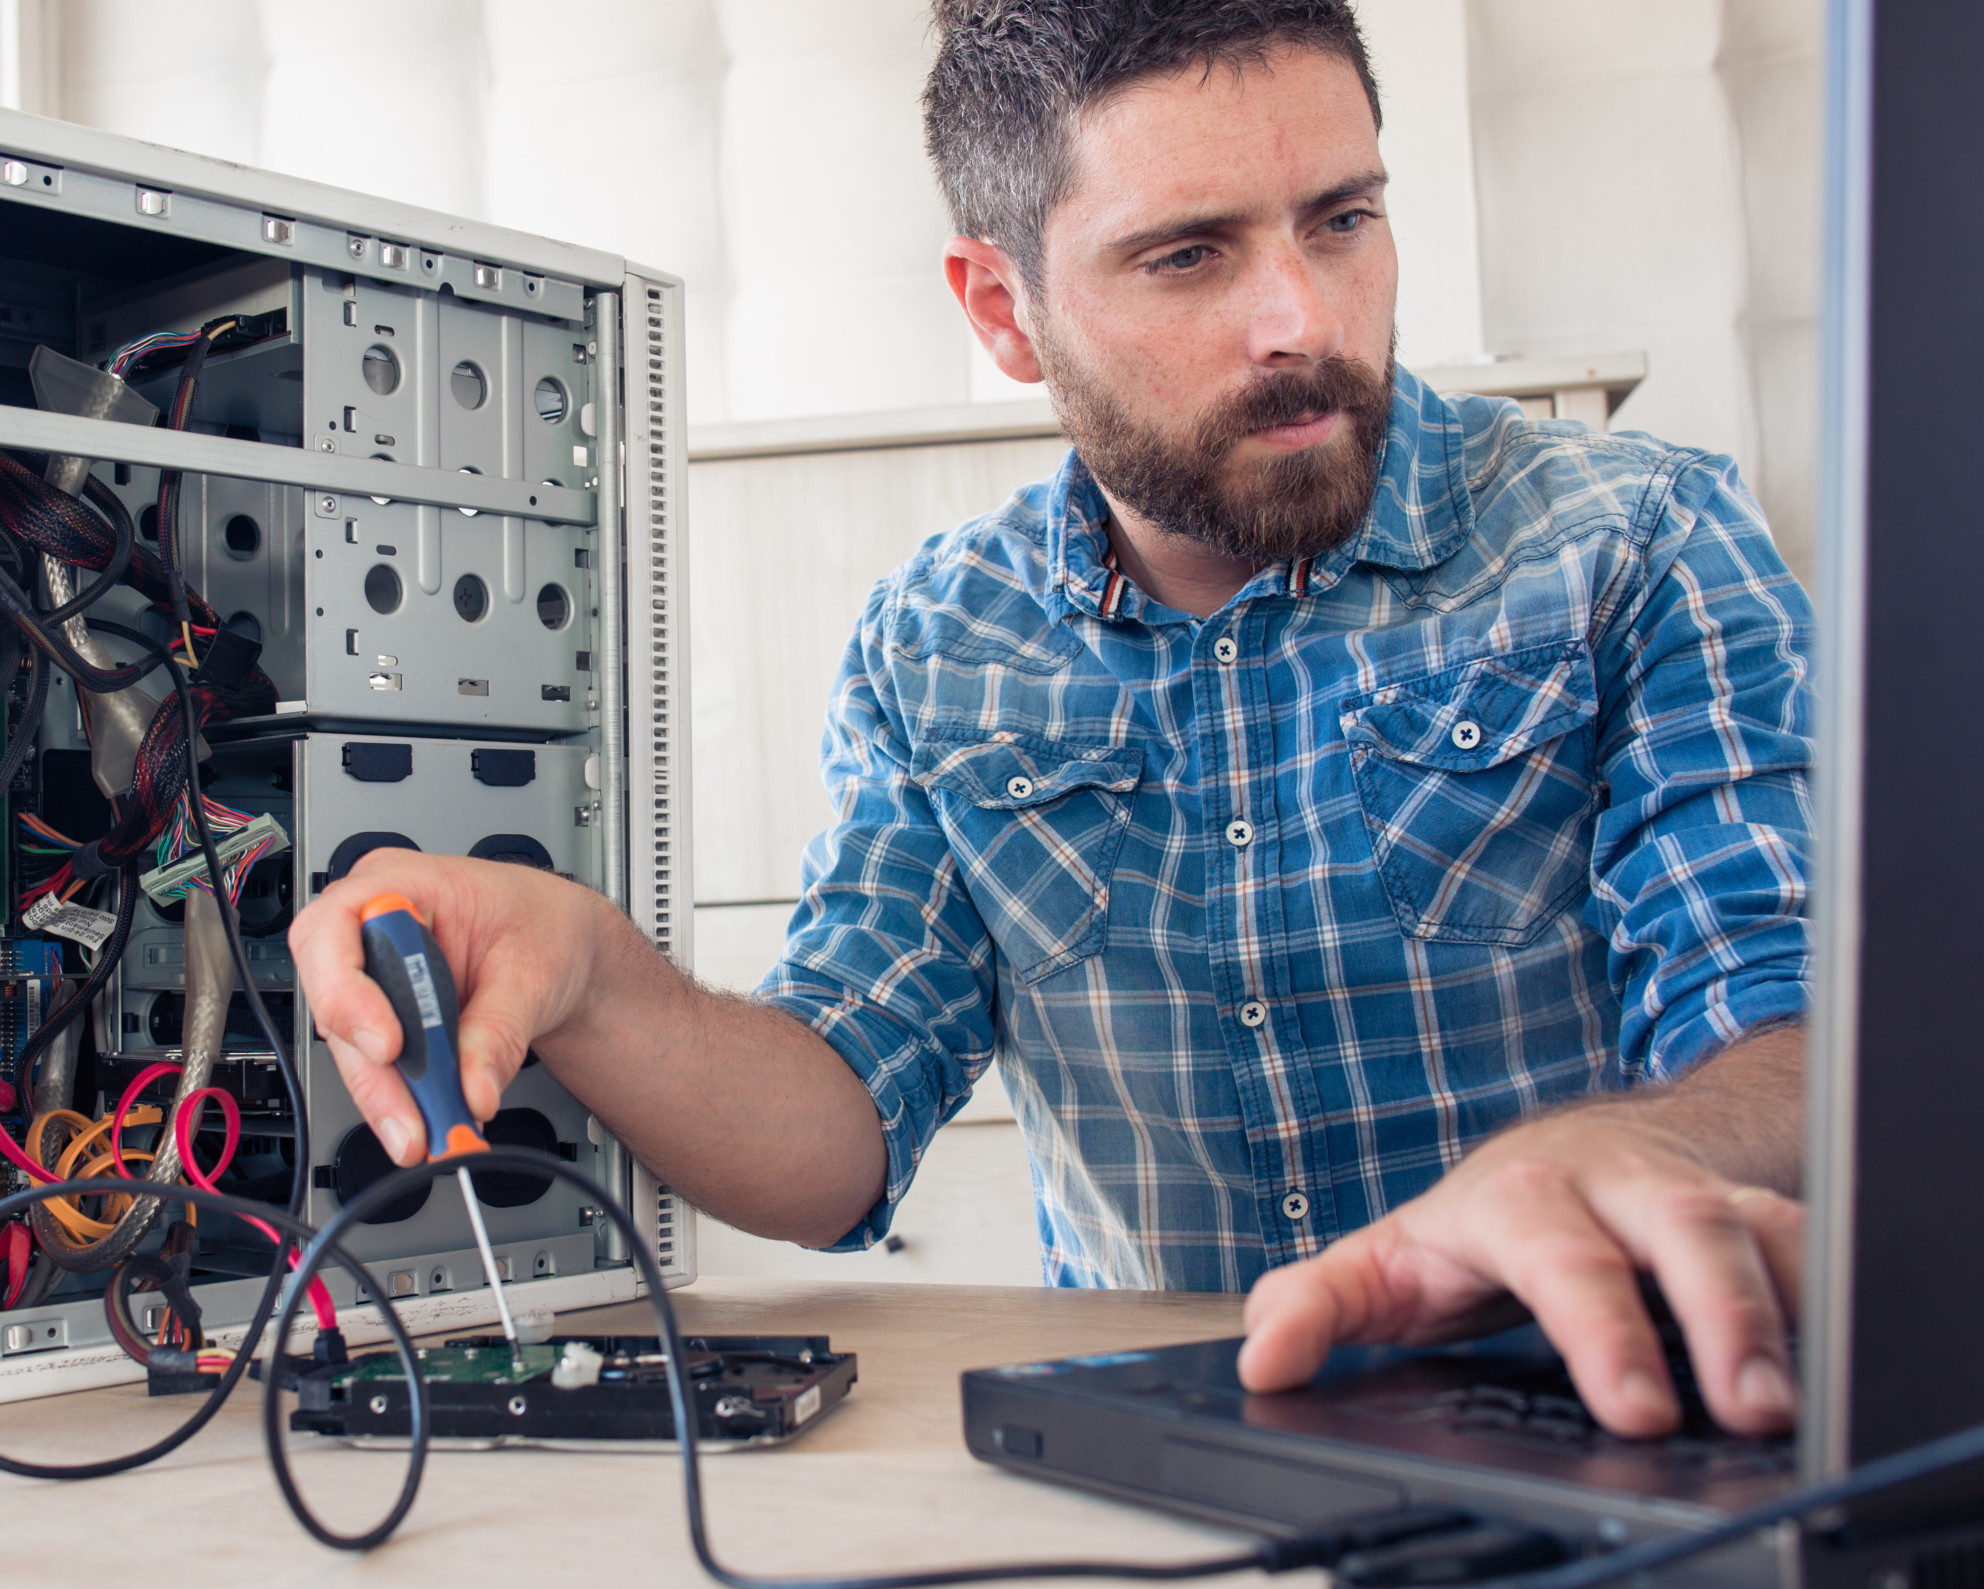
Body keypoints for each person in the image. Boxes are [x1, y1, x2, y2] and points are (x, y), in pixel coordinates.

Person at [290, 0, 1812, 1441]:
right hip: (1157, 1461)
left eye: (1342, 220)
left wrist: (1630, 1153)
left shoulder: (1635, 542)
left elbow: (1803, 1027)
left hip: (1611, 1415)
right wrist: (597, 976)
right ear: (1003, 309)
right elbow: (838, 1135)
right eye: (1188, 255)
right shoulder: (938, 643)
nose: (1302, 318)